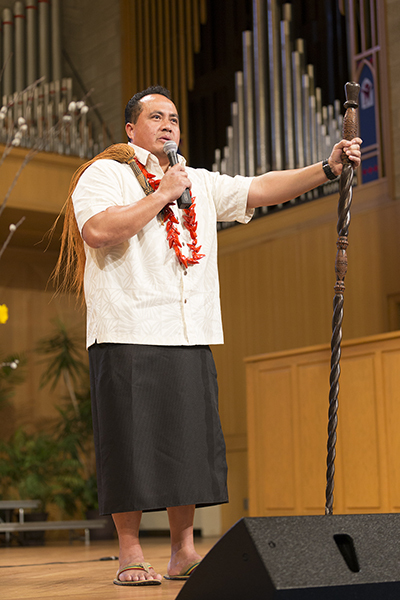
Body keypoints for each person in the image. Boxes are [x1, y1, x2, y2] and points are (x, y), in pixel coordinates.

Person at [54, 85, 361, 586]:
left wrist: (326, 170)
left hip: (189, 329)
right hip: (129, 328)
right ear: (131, 129)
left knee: (188, 447)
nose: (168, 125)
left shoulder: (195, 180)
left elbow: (258, 188)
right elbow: (99, 231)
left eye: (174, 118)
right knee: (129, 445)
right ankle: (131, 553)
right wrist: (161, 194)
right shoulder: (105, 173)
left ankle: (183, 552)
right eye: (156, 117)